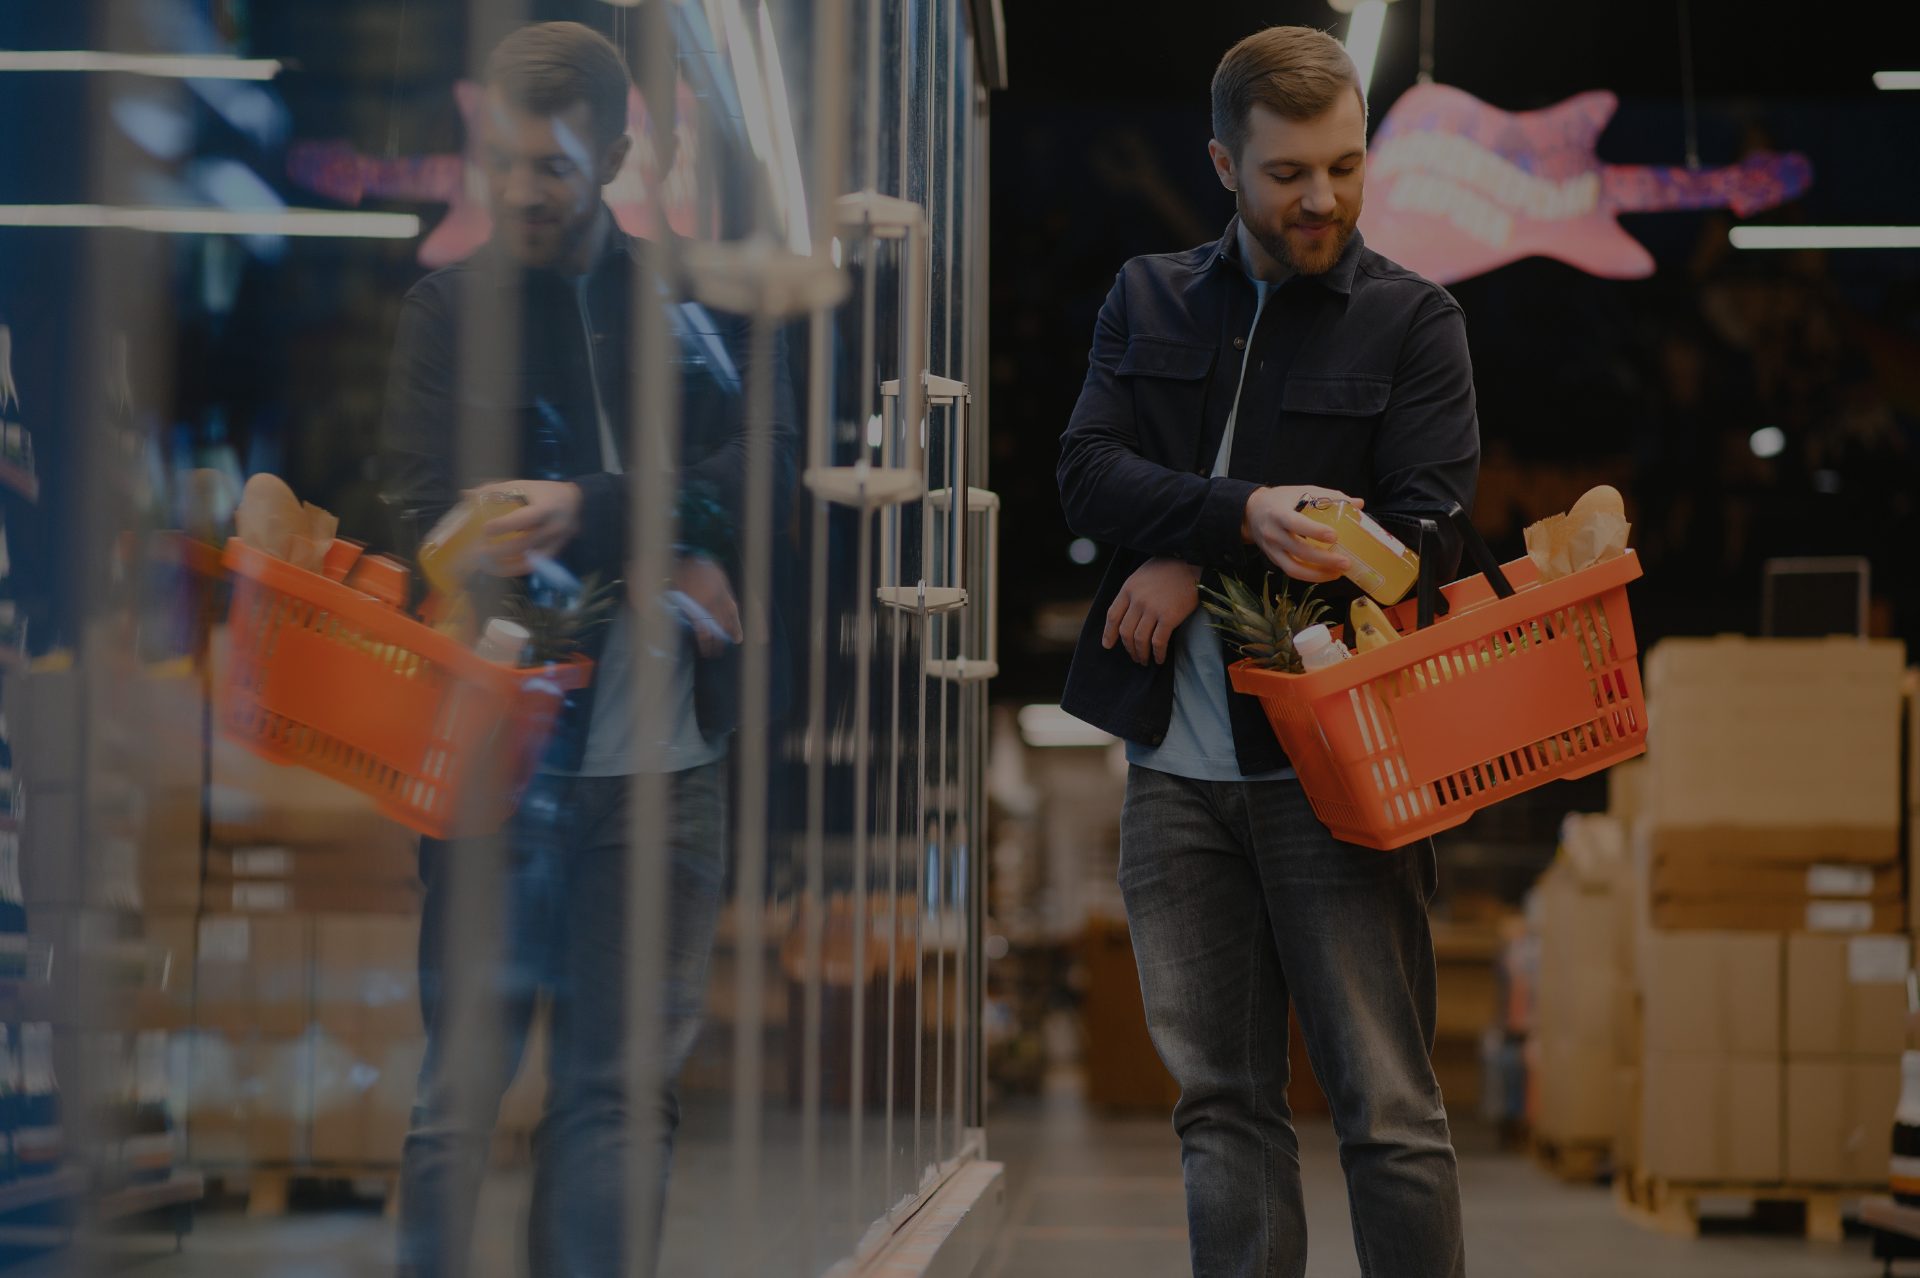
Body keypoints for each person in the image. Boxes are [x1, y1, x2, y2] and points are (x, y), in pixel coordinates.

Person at [1056, 26, 1478, 1278]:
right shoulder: (1145, 295)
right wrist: (1235, 513)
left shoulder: (1415, 323)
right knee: (1222, 1109)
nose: (1324, 199)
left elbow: (1424, 543)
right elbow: (1085, 475)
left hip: (1341, 775)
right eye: (1290, 173)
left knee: (1389, 1112)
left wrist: (1195, 542)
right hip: (1175, 775)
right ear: (1223, 167)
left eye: (1345, 166)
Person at [380, 21, 794, 1277]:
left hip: (669, 768)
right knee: (460, 1098)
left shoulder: (690, 300)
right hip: (498, 758)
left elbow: (763, 472)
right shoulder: (451, 310)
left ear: (616, 152)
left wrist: (597, 507)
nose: (519, 191)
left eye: (551, 167)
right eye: (500, 162)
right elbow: (413, 507)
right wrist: (660, 526)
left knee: (616, 1098)